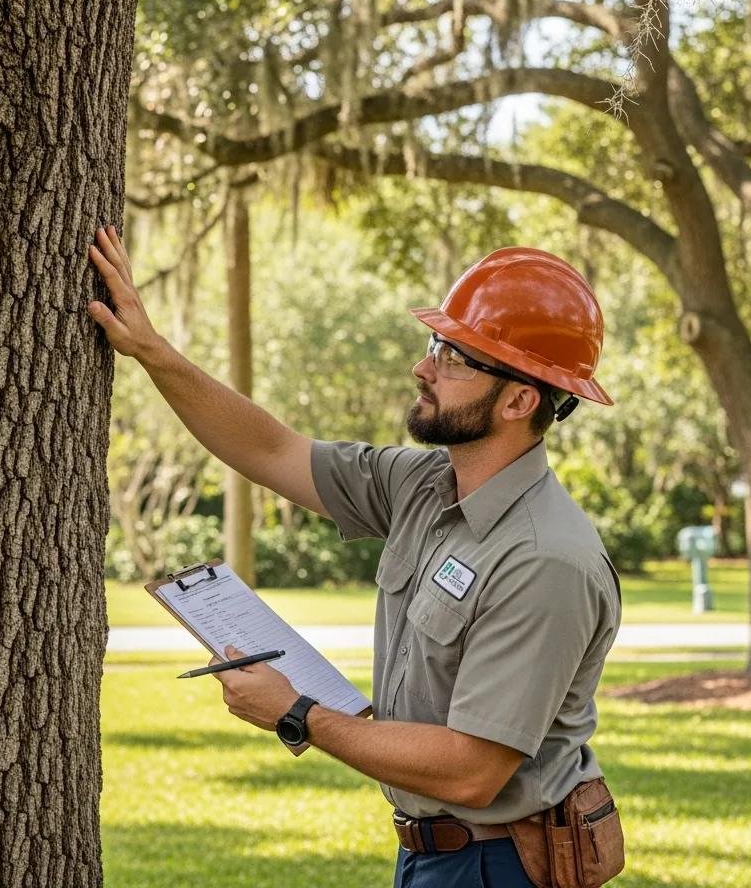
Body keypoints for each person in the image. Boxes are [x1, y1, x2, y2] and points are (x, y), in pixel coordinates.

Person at [87, 227, 623, 887]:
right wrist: (149, 349)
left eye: (454, 357)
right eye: (435, 346)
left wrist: (298, 714)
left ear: (518, 400)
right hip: (437, 854)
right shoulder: (421, 487)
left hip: (499, 863)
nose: (423, 369)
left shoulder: (546, 561)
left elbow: (472, 770)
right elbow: (274, 451)